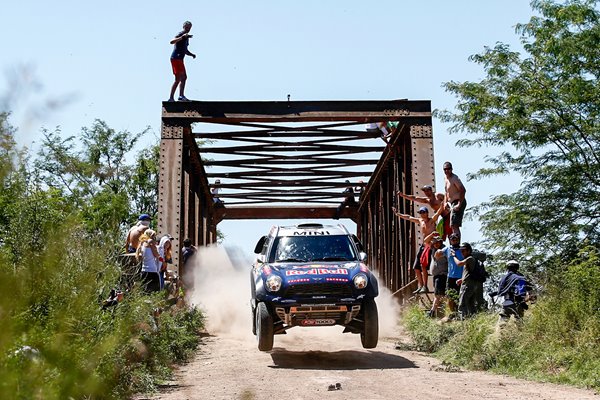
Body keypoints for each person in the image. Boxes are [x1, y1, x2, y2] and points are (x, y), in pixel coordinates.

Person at [392, 204, 444, 293]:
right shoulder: (420, 220)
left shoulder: (432, 221)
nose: (422, 214)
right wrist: (398, 214)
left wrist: (443, 203)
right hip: (423, 245)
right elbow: (409, 217)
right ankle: (421, 285)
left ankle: (425, 286)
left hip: (431, 245)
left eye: (423, 212)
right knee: (416, 267)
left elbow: (439, 212)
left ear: (427, 213)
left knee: (423, 266)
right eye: (420, 212)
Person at [168, 21, 196, 102]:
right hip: (176, 58)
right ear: (183, 27)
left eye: (189, 27)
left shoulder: (186, 37)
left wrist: (192, 54)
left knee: (183, 78)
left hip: (180, 59)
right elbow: (171, 42)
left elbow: (185, 50)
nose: (188, 29)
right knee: (179, 79)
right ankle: (172, 98)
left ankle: (180, 96)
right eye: (187, 27)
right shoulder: (181, 34)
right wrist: (181, 37)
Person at [452, 242, 477, 319]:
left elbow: (459, 263)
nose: (462, 253)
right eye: (461, 251)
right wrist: (462, 279)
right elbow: (469, 273)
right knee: (470, 305)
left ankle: (463, 323)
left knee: (462, 305)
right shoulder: (470, 259)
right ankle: (471, 321)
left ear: (469, 251)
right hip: (469, 284)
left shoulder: (470, 258)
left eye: (463, 251)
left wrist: (454, 256)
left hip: (467, 286)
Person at [443, 162, 467, 241]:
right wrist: (445, 202)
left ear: (451, 169)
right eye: (445, 169)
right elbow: (446, 192)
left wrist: (459, 204)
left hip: (458, 201)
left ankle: (457, 244)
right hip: (452, 203)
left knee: (454, 224)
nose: (447, 171)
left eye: (448, 169)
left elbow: (462, 190)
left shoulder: (454, 178)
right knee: (452, 224)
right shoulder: (446, 178)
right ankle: (455, 242)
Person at [428, 236, 447, 317]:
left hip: (442, 275)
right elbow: (426, 241)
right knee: (439, 294)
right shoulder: (433, 249)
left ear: (441, 242)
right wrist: (432, 234)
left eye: (437, 242)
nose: (435, 244)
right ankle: (436, 312)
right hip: (436, 275)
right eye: (434, 243)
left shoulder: (444, 250)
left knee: (439, 295)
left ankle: (433, 312)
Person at [444, 233, 463, 312]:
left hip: (461, 276)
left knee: (460, 295)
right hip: (451, 276)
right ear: (450, 241)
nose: (454, 241)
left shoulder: (462, 250)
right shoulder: (448, 249)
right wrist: (437, 252)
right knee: (450, 295)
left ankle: (459, 312)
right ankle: (452, 313)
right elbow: (437, 255)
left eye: (456, 239)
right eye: (452, 240)